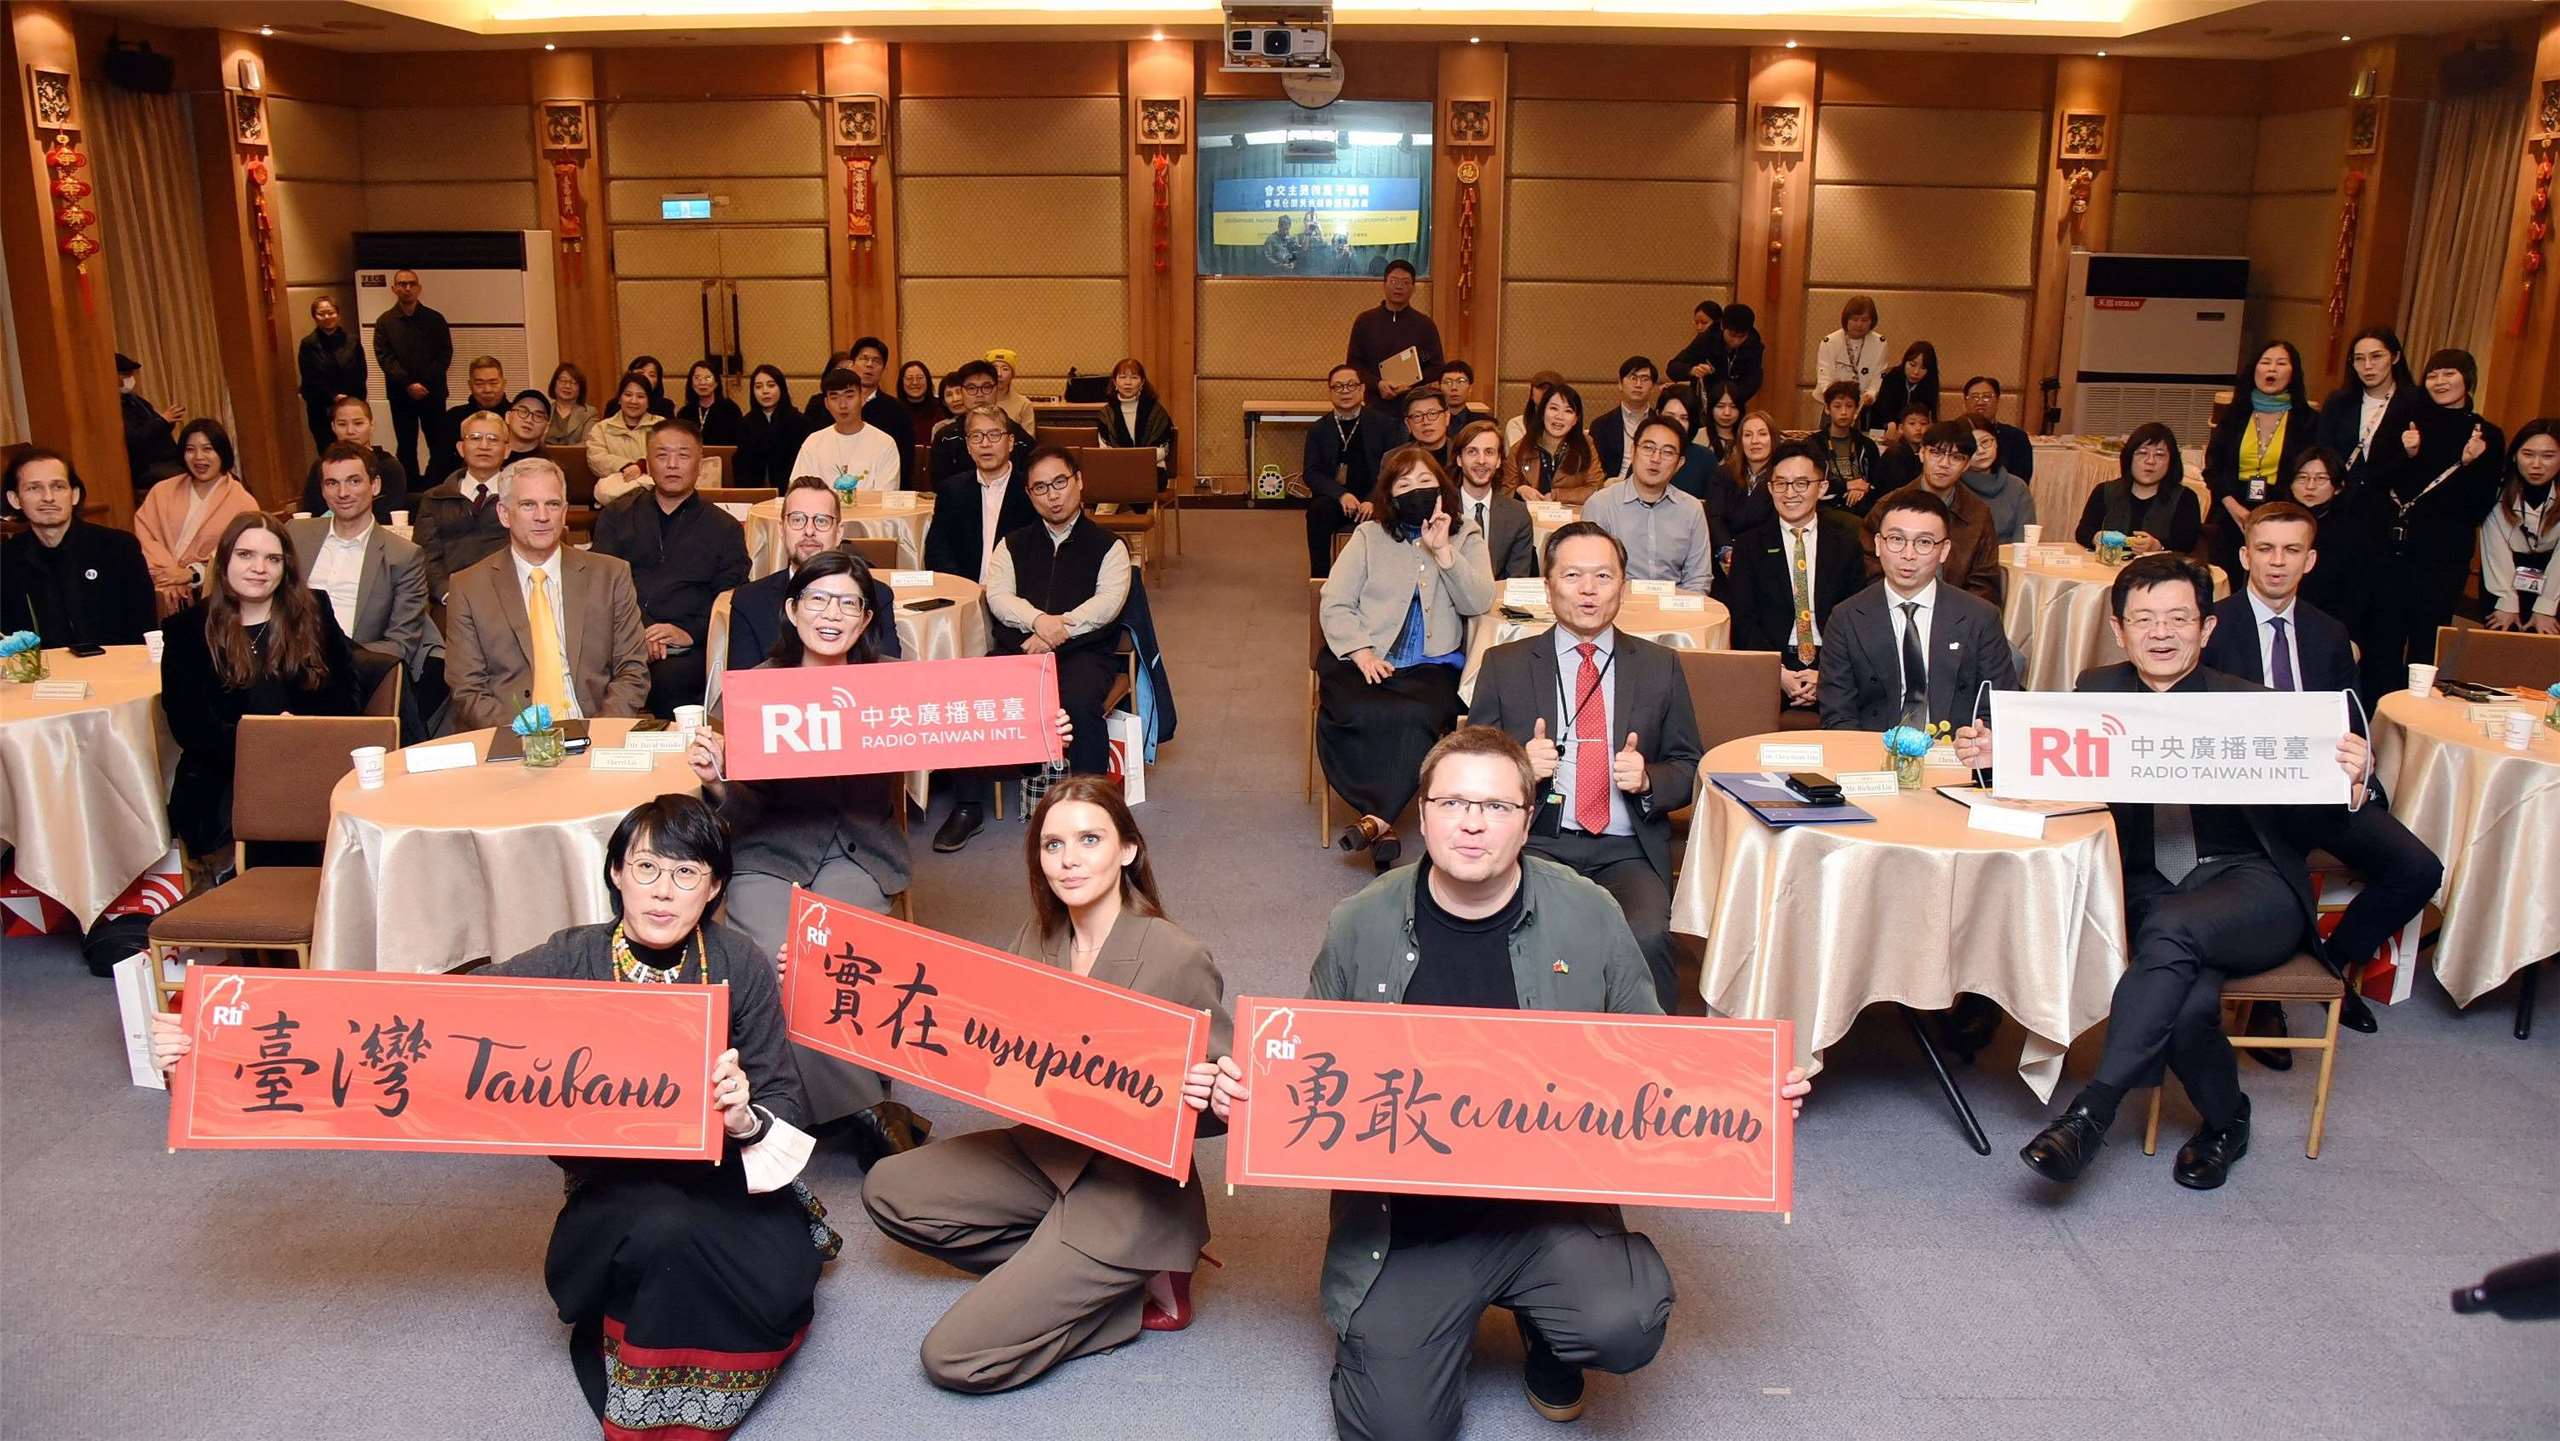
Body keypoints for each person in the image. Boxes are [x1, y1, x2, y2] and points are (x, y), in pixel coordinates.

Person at [145, 795, 833, 1438]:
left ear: (714, 888)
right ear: (617, 874)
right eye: (647, 867)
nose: (662, 890)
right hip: (616, 1185)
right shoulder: (571, 957)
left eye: (686, 874)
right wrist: (209, 1043)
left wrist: (742, 1118)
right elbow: (436, 1019)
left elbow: (785, 1103)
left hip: (724, 1172)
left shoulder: (738, 963)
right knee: (665, 1233)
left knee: (765, 1278)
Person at [1230, 725, 1807, 1439]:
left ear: (1528, 821)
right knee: (1395, 1428)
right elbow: (1308, 1068)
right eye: (1452, 803)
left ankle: (1549, 1334)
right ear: (1424, 814)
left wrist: (1748, 1091)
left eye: (1497, 806)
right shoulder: (1360, 922)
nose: (1472, 822)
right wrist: (1251, 1087)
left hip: (1546, 1211)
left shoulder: (1588, 912)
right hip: (1411, 1226)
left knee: (1622, 1320)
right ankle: (1420, 1335)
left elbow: (1655, 1058)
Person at [1960, 554, 2378, 1191]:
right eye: (2144, 619)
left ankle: (2092, 1113)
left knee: (2173, 928)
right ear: (2119, 630)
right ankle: (2228, 1122)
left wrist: (2349, 781)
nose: (2161, 633)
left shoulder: (2256, 706)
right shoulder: (2094, 693)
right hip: (2147, 888)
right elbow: (2051, 779)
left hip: (2249, 886)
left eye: (2179, 618)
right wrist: (1997, 756)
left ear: (2206, 629)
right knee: (2186, 1006)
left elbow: (2309, 818)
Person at [862, 776, 1235, 1390]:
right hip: (1047, 1155)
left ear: (1128, 849)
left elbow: (1223, 1105)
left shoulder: (1176, 956)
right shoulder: (1038, 936)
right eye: (1052, 845)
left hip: (1128, 1193)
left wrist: (1214, 1097)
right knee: (888, 1190)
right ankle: (1070, 1271)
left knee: (954, 1358)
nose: (1069, 860)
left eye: (1090, 840)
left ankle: (1128, 1289)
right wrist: (822, 974)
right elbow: (983, 1040)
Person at [688, 549, 926, 1160]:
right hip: (770, 852)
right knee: (779, 962)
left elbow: (967, 741)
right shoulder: (752, 691)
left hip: (858, 852)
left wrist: (1039, 725)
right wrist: (718, 781)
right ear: (793, 610)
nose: (831, 614)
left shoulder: (894, 685)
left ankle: (814, 1106)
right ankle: (869, 1109)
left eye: (848, 602)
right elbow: (736, 813)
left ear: (866, 618)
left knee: (831, 961)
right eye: (818, 599)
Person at [2200, 500, 2436, 1042]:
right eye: (2265, 549)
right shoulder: (2212, 627)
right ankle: (2266, 998)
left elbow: (2351, 719)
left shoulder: (2328, 633)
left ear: (2310, 560)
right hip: (2243, 798)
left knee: (2419, 870)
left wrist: (2360, 770)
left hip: (2321, 790)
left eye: (2291, 550)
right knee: (2279, 880)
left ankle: (2331, 966)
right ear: (2245, 556)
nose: (2277, 562)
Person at [1464, 525, 1702, 1008]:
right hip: (1537, 841)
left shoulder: (1660, 665)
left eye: (1603, 576)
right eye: (1572, 575)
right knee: (1530, 933)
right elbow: (1468, 768)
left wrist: (1649, 779)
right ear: (1548, 585)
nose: (1588, 589)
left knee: (1647, 937)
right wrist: (1519, 766)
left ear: (1623, 587)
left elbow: (1688, 766)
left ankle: (1651, 1049)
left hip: (1627, 848)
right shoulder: (1504, 664)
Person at [1318, 446, 1493, 871]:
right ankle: (1383, 822)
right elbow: (1335, 601)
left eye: (1425, 481)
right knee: (1358, 710)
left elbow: (1479, 601)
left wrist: (1444, 552)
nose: (1416, 490)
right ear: (1390, 494)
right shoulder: (1369, 536)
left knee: (1416, 716)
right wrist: (1361, 652)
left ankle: (1375, 821)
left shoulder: (1466, 535)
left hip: (1432, 664)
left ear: (1442, 487)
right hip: (1364, 654)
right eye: (1404, 484)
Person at [158, 513, 362, 859]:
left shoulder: (314, 611)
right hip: (227, 775)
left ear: (286, 568)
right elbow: (189, 725)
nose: (259, 568)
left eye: (273, 559)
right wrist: (264, 743)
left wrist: (300, 730)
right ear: (224, 561)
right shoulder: (187, 629)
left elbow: (347, 695)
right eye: (245, 555)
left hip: (309, 762)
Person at [443, 457, 652, 732]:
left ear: (564, 513)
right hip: (512, 736)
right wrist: (528, 739)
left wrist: (601, 732)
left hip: (595, 729)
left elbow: (632, 670)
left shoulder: (610, 575)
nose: (542, 516)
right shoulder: (469, 586)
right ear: (504, 514)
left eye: (552, 504)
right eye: (528, 505)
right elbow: (468, 688)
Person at [2362, 348, 2505, 698]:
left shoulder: (2486, 435)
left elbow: (2479, 507)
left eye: (2449, 374)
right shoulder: (2403, 422)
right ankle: (2377, 714)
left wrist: (2471, 464)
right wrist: (2407, 455)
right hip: (2392, 551)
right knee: (2382, 641)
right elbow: (2372, 481)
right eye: (2432, 375)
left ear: (2468, 380)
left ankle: (2420, 712)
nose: (2439, 382)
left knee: (2428, 643)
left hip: (2443, 559)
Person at [984, 446, 1132, 781]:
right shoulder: (1011, 544)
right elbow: (999, 596)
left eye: (1060, 482)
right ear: (1029, 494)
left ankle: (1088, 792)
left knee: (1078, 700)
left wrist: (1056, 632)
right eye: (1040, 487)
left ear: (1079, 481)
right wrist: (1038, 622)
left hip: (1084, 652)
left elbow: (1106, 604)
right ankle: (996, 794)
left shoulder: (1109, 546)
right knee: (985, 690)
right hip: (1021, 648)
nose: (1052, 496)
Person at [1821, 488, 2017, 732]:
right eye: (1896, 539)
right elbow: (1838, 715)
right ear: (1878, 544)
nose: (1908, 555)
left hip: (1953, 748)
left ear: (1944, 550)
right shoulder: (1846, 618)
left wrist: (1978, 739)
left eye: (1924, 542)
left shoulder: (1980, 617)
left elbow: (1999, 707)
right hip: (1874, 747)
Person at [592, 420, 750, 718]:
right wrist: (640, 630)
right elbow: (601, 584)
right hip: (621, 634)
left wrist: (690, 632)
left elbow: (732, 597)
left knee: (671, 680)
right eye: (662, 455)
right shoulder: (617, 515)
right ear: (648, 462)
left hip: (689, 643)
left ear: (699, 464)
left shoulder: (723, 528)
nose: (672, 464)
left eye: (683, 455)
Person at [289, 443, 440, 728]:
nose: (342, 493)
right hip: (286, 664)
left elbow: (401, 644)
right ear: (322, 490)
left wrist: (336, 659)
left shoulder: (403, 555)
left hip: (354, 673)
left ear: (375, 485)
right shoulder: (296, 535)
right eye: (332, 483)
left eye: (354, 481)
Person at [1727, 441, 1867, 717]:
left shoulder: (1845, 543)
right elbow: (1743, 619)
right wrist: (1776, 672)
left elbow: (1855, 618)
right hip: (1771, 662)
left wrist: (1825, 673)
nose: (1790, 493)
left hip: (1832, 661)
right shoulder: (1749, 545)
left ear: (1822, 488)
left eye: (1801, 483)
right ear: (1770, 489)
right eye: (1781, 484)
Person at [727, 477, 900, 667]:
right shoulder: (749, 600)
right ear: (782, 530)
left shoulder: (876, 595)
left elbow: (888, 676)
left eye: (822, 521)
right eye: (797, 520)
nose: (809, 531)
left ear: (839, 532)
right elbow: (743, 682)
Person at [1, 448, 153, 649]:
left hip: (114, 664)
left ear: (74, 495)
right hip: (39, 668)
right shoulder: (6, 559)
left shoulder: (118, 548)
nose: (48, 497)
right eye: (34, 488)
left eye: (58, 487)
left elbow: (143, 629)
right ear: (14, 499)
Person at [1860, 419, 2005, 605]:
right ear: (1921, 453)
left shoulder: (1978, 514)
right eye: (1936, 453)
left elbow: (1985, 583)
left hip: (1957, 613)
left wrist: (1956, 614)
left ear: (1967, 464)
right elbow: (1868, 569)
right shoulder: (1888, 507)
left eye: (1956, 457)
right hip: (1893, 607)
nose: (1944, 464)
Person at [2200, 340, 2313, 575]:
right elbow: (2213, 467)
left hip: (2283, 515)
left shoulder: (2307, 421)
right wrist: (2235, 508)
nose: (2272, 369)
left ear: (2293, 373)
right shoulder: (2234, 415)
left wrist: (2276, 515)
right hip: (2230, 512)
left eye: (2281, 363)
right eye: (2265, 362)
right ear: (2254, 370)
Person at [135, 419, 261, 619]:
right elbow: (145, 535)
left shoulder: (243, 502)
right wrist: (171, 574)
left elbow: (242, 553)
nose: (198, 457)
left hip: (213, 600)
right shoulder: (162, 491)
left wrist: (192, 574)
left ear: (222, 452)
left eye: (207, 449)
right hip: (157, 587)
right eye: (190, 450)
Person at [1581, 416, 1714, 592]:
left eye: (1667, 452)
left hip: (1673, 605)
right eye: (1648, 448)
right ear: (1633, 451)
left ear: (1679, 464)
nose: (1655, 458)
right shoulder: (1600, 505)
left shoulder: (1692, 509)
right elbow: (1589, 573)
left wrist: (1683, 607)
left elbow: (1698, 578)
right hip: (1618, 602)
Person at [923, 405, 1039, 584]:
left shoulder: (1031, 490)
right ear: (968, 446)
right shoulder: (951, 490)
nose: (985, 444)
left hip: (1016, 591)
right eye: (976, 436)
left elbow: (1039, 553)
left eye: (994, 435)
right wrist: (965, 588)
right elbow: (937, 550)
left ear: (1010, 442)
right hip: (964, 590)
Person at [2283, 445, 2383, 649]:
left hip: (2334, 627)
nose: (2310, 486)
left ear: (2338, 486)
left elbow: (2358, 595)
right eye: (2302, 478)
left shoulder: (2353, 533)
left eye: (2321, 479)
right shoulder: (2277, 524)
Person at [412, 410, 514, 604]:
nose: (484, 446)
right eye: (475, 438)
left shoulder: (519, 497)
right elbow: (425, 556)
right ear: (461, 448)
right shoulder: (435, 498)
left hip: (506, 597)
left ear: (507, 449)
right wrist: (447, 593)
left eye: (493, 439)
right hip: (448, 599)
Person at [1304, 363, 1389, 576]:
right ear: (1330, 391)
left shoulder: (1384, 425)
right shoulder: (1318, 429)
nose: (1345, 391)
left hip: (1375, 496)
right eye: (1338, 386)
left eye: (1351, 385)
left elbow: (1392, 470)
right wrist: (1341, 495)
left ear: (1362, 389)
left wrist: (1373, 499)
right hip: (1337, 499)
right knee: (1317, 512)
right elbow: (1311, 473)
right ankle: (1321, 580)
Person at [2315, 325, 2419, 491]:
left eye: (2376, 356)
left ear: (2395, 357)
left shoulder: (2415, 402)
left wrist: (2413, 451)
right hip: (2342, 496)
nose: (2367, 365)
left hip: (2389, 498)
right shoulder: (2338, 402)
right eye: (2359, 359)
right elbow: (2323, 450)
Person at [2074, 421, 2202, 556]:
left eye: (2159, 455)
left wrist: (2158, 546)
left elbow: (2187, 544)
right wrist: (2097, 538)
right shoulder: (2104, 491)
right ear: (2129, 458)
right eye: (2142, 453)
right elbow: (2083, 532)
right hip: (2107, 566)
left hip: (2158, 568)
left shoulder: (2185, 498)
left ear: (2171, 461)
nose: (2150, 461)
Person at [2478, 420, 2557, 634]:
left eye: (2548, 456)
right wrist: (2507, 602)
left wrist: (2546, 607)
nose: (2536, 465)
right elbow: (2496, 550)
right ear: (2514, 456)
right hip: (2503, 573)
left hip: (2553, 576)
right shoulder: (2497, 491)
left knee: (2546, 635)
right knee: (2503, 629)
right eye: (2528, 454)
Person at [373, 269, 451, 483]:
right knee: (406, 444)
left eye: (411, 284)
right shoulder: (385, 322)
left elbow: (445, 354)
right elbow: (384, 357)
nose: (407, 288)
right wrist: (408, 383)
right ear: (394, 289)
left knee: (438, 442)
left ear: (419, 288)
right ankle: (409, 487)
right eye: (402, 284)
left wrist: (424, 383)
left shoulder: (435, 319)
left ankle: (437, 485)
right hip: (401, 394)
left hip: (432, 392)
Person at [790, 364, 902, 494]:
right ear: (826, 404)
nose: (842, 405)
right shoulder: (813, 442)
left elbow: (886, 495)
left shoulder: (884, 443)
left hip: (871, 508)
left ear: (862, 399)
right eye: (834, 398)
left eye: (849, 396)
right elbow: (798, 491)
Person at [297, 395, 412, 521]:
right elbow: (309, 513)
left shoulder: (389, 467)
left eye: (358, 423)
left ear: (371, 425)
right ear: (333, 427)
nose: (350, 431)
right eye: (342, 424)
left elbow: (392, 516)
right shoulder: (322, 465)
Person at [1345, 259, 1442, 405]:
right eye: (1394, 281)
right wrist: (1378, 384)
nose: (1399, 286)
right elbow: (1354, 365)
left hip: (1413, 405)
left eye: (1405, 282)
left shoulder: (1425, 325)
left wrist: (1410, 384)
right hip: (1374, 403)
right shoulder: (1365, 321)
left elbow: (1436, 367)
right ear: (1384, 285)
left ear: (1414, 288)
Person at [1450, 419, 1536, 581]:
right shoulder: (1442, 509)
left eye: (1489, 452)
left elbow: (1517, 578)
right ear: (1459, 459)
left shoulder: (1517, 515)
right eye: (1472, 452)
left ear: (1498, 460)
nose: (1481, 460)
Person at [928, 361, 1032, 483]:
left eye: (986, 387)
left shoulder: (1019, 438)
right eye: (971, 388)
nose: (979, 394)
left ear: (996, 389)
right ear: (962, 391)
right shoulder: (946, 438)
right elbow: (940, 486)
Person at [1704, 409, 1778, 569]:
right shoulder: (1723, 473)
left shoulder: (1782, 478)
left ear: (1773, 439)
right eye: (1748, 435)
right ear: (1740, 441)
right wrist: (1726, 549)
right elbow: (1714, 517)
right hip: (1725, 554)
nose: (1755, 441)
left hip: (1766, 555)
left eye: (1762, 434)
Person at [1507, 382, 1602, 505]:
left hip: (1573, 516)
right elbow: (1505, 491)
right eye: (1553, 408)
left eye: (1568, 411)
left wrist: (1557, 496)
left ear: (1575, 419)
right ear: (1542, 413)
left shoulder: (1586, 446)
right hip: (1529, 515)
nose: (1559, 416)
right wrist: (1519, 490)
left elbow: (1595, 489)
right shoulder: (1520, 449)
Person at [295, 295, 365, 456]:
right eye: (321, 314)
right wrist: (332, 396)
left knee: (355, 452)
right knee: (328, 452)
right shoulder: (308, 344)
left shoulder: (352, 340)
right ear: (314, 317)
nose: (327, 317)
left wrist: (349, 399)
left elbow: (361, 373)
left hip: (351, 405)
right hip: (321, 408)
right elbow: (310, 377)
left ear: (338, 314)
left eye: (331, 312)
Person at [428, 355, 510, 487]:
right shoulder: (453, 418)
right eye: (479, 384)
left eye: (493, 383)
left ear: (504, 383)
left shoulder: (514, 417)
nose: (487, 389)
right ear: (470, 385)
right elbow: (438, 464)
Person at [586, 371, 664, 504]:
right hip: (616, 490)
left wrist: (641, 466)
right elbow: (597, 459)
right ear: (619, 398)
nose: (634, 401)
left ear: (649, 401)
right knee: (604, 490)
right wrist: (626, 466)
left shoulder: (661, 426)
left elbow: (665, 455)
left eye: (640, 396)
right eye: (628, 395)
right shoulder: (601, 428)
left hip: (653, 493)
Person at [1097, 356, 1177, 482]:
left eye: (1134, 377)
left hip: (1151, 470)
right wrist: (1128, 462)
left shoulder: (1156, 411)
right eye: (1123, 377)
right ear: (1115, 382)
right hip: (1117, 470)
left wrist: (1134, 461)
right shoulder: (1107, 413)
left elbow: (1163, 450)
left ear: (1142, 382)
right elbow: (1105, 450)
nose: (1128, 382)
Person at [1958, 414, 2034, 544]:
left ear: (1996, 442)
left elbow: (2024, 540)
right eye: (1972, 446)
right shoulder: (1951, 487)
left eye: (1986, 442)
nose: (1981, 451)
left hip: (2011, 556)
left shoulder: (2017, 487)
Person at [116, 352, 185, 491]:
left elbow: (157, 427)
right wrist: (163, 421)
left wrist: (168, 421)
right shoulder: (114, 408)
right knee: (183, 480)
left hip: (169, 459)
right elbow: (134, 437)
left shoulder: (137, 401)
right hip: (147, 466)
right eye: (125, 374)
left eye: (131, 374)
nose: (130, 379)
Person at [734, 365, 810, 490]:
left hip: (792, 490)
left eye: (771, 385)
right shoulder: (746, 423)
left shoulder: (799, 422)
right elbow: (742, 467)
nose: (765, 391)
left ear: (781, 388)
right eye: (758, 387)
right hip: (755, 492)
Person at [1587, 356, 1659, 480]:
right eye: (1633, 378)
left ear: (1652, 387)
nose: (1638, 384)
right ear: (1620, 384)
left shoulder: (1661, 424)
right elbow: (1595, 472)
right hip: (1613, 485)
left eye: (1644, 379)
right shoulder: (1601, 425)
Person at [845, 336, 916, 460]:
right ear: (852, 364)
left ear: (884, 369)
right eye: (864, 358)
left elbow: (905, 458)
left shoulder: (897, 410)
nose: (869, 364)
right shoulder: (834, 404)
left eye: (876, 361)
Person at [1815, 295, 1888, 413]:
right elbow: (1824, 376)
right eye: (1855, 319)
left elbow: (1879, 375)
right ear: (1846, 319)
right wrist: (1837, 400)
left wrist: (1871, 394)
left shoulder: (1880, 343)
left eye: (1864, 320)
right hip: (1834, 404)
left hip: (1864, 405)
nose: (1859, 324)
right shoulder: (1829, 341)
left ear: (1872, 321)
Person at [1813, 381, 1878, 512]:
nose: (1843, 412)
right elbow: (1812, 484)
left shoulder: (1867, 445)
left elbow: (1877, 483)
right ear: (1827, 409)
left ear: (1856, 409)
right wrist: (1848, 485)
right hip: (1826, 507)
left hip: (1861, 505)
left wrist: (1864, 489)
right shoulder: (1814, 443)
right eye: (1837, 406)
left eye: (1849, 406)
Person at [1956, 374, 2033, 482]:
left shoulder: (2016, 437)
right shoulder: (1954, 434)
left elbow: (2021, 478)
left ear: (1998, 400)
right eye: (1974, 397)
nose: (1980, 402)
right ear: (1965, 402)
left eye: (1987, 396)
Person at [1861, 341, 1941, 432]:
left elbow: (1929, 417)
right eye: (1912, 365)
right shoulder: (1892, 377)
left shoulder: (1929, 384)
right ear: (1905, 361)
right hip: (1885, 430)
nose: (1916, 372)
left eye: (1923, 368)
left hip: (1915, 432)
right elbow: (1882, 410)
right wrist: (1890, 425)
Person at [1868, 403, 1933, 499]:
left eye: (1923, 424)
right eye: (1912, 423)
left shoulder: (1925, 452)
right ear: (1901, 428)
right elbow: (1899, 491)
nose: (1918, 428)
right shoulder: (1894, 454)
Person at [675, 360, 743, 446]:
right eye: (697, 378)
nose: (702, 382)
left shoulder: (730, 410)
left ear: (716, 383)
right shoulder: (685, 413)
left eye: (707, 378)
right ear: (691, 384)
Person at [1666, 297, 1726, 389]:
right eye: (1696, 323)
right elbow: (1672, 367)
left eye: (1704, 323)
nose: (1699, 327)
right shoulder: (1700, 342)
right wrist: (1692, 370)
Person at [1502, 370, 1565, 451]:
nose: (1546, 392)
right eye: (1542, 388)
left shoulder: (1568, 424)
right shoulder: (1517, 424)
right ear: (1532, 394)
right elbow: (1517, 455)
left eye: (1551, 389)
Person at [1393, 388, 1455, 472]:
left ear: (1447, 417)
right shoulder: (1393, 458)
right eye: (1417, 416)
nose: (1426, 422)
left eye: (1432, 413)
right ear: (1408, 423)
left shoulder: (1462, 453)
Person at [1718, 302, 1765, 405]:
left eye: (1742, 336)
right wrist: (1692, 370)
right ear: (1722, 326)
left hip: (1736, 401)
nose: (1736, 341)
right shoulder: (1708, 339)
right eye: (1732, 335)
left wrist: (1735, 399)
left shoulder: (1754, 347)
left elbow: (1753, 379)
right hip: (1708, 399)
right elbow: (1681, 366)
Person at [986, 348, 1038, 434]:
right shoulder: (977, 400)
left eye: (1005, 369)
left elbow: (1029, 439)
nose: (999, 374)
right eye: (994, 368)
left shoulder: (1024, 404)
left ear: (1012, 375)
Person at [545, 361, 596, 445]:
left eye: (574, 383)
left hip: (576, 453)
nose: (567, 386)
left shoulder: (589, 413)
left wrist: (564, 451)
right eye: (563, 381)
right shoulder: (544, 410)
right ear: (554, 383)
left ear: (580, 388)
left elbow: (588, 443)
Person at [897, 359, 947, 442]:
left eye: (919, 378)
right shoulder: (894, 409)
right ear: (901, 382)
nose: (915, 382)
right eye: (909, 378)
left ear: (927, 380)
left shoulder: (942, 407)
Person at [503, 388, 553, 463]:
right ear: (508, 417)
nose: (529, 420)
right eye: (523, 412)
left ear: (546, 427)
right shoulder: (492, 455)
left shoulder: (548, 466)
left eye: (538, 416)